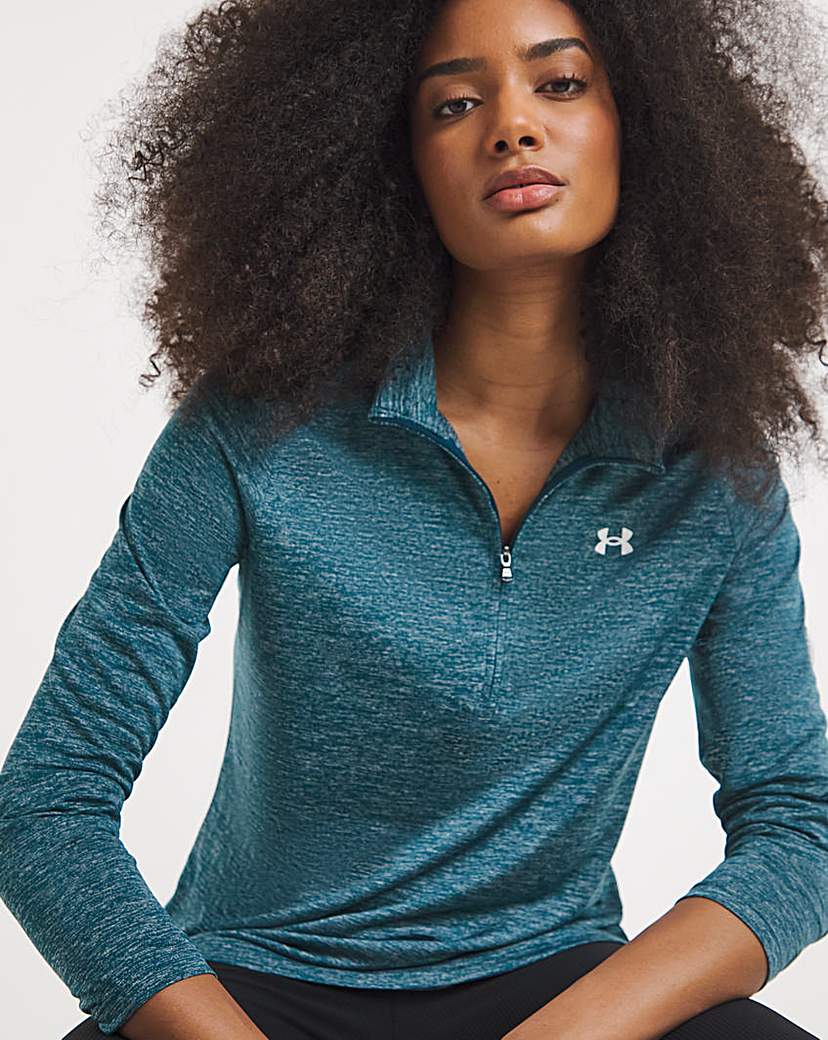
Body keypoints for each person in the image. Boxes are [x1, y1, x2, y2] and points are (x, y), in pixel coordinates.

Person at [1, 0, 827, 1038]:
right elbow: (48, 802)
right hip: (251, 984)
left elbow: (799, 825)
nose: (512, 126)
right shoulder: (258, 426)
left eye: (561, 83)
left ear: (649, 125)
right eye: (454, 104)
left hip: (556, 987)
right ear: (395, 165)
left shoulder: (712, 475)